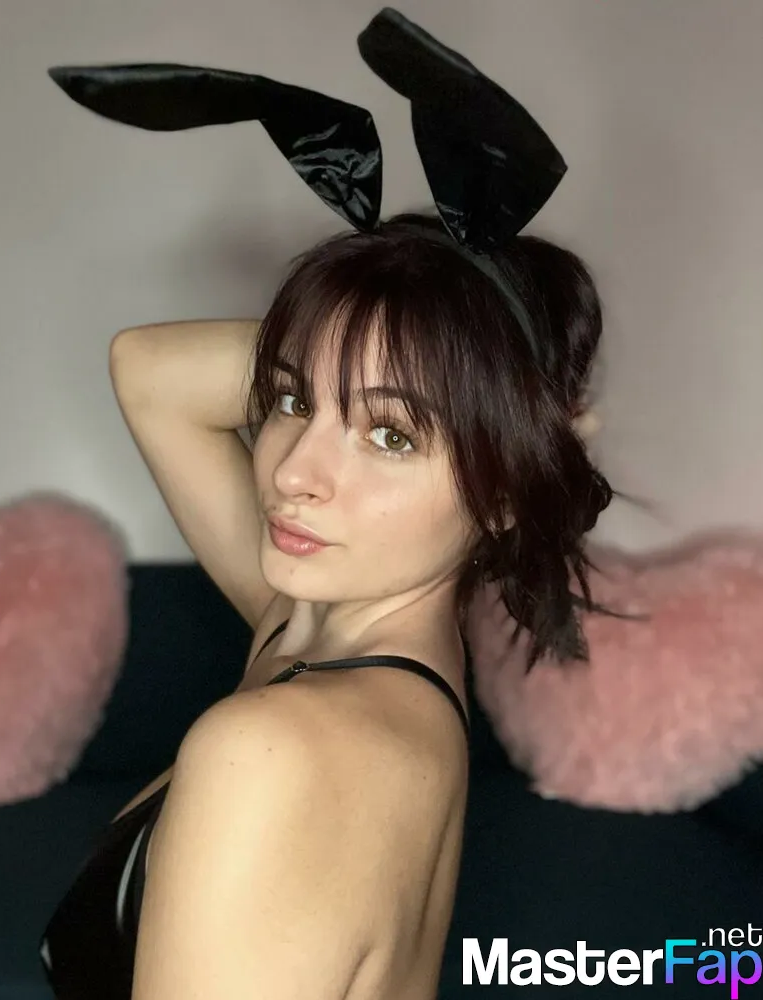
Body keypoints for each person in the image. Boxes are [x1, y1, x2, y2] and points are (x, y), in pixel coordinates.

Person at [38, 10, 613, 1000]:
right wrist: (385, 321)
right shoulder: (318, 633)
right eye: (293, 401)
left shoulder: (274, 752)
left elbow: (151, 373)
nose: (294, 471)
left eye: (391, 436)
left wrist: (493, 401)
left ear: (506, 490)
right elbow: (150, 371)